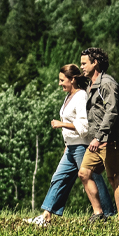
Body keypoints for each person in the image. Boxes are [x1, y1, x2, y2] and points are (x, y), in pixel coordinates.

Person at [25, 64, 90, 226]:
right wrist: (67, 145)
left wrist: (62, 124)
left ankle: (105, 213)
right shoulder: (69, 96)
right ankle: (46, 216)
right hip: (72, 147)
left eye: (62, 80)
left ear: (73, 79)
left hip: (81, 146)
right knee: (58, 178)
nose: (60, 83)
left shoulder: (81, 96)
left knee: (92, 181)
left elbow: (83, 126)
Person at [79, 46, 119, 221]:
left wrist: (99, 137)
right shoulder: (91, 83)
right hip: (97, 141)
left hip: (109, 139)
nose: (81, 66)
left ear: (95, 63)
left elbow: (112, 112)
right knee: (84, 173)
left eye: (84, 63)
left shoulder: (107, 83)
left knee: (114, 178)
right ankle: (99, 213)